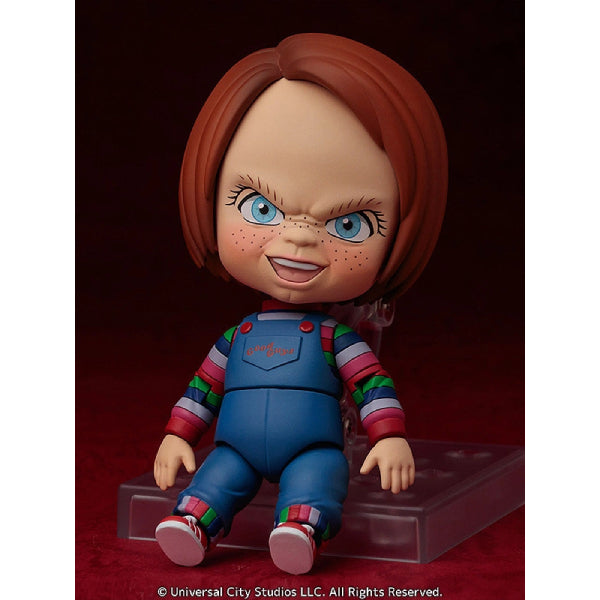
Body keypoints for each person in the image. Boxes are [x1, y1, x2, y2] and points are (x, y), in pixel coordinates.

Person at [153, 33, 447, 575]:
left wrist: (389, 437)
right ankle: (194, 522)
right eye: (260, 208)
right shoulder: (236, 337)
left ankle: (301, 528)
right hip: (234, 447)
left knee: (318, 478)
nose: (300, 238)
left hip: (314, 445)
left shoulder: (337, 338)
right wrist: (177, 434)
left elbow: (371, 385)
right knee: (216, 478)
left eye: (350, 224)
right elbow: (202, 389)